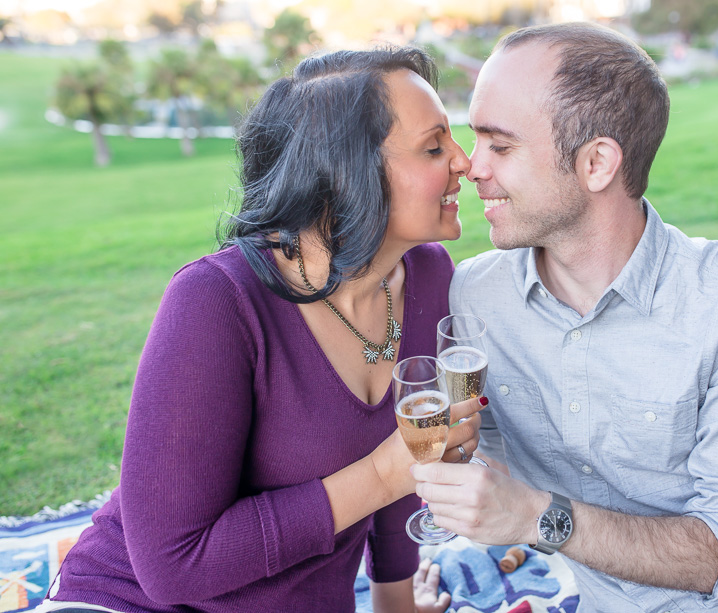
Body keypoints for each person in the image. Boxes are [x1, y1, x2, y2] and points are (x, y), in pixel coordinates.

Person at [411, 22, 718, 613]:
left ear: (597, 162)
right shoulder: (474, 296)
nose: (473, 167)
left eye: (500, 145)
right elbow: (485, 461)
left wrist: (536, 518)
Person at [36, 46, 480, 613]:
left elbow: (409, 464)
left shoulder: (426, 274)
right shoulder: (216, 302)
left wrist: (397, 603)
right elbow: (171, 567)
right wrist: (379, 475)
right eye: (434, 147)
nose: (463, 162)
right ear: (344, 176)